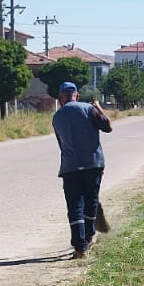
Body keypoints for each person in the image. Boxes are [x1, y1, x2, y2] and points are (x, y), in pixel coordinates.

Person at [51, 82, 113, 258]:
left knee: (74, 207)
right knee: (91, 202)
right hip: (93, 164)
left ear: (61, 97)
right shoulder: (88, 109)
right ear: (76, 95)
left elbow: (61, 144)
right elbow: (108, 127)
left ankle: (79, 249)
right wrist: (99, 108)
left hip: (70, 167)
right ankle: (90, 236)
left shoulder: (56, 118)